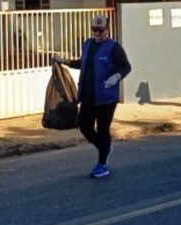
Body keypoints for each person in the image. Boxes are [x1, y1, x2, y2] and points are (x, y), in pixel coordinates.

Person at [54, 15, 131, 179]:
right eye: (94, 30)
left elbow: (126, 66)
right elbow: (83, 63)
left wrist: (116, 77)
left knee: (103, 129)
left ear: (107, 30)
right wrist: (65, 61)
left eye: (100, 30)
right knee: (84, 126)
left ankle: (102, 164)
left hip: (106, 98)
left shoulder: (114, 47)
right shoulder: (88, 44)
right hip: (88, 96)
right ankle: (104, 147)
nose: (97, 33)